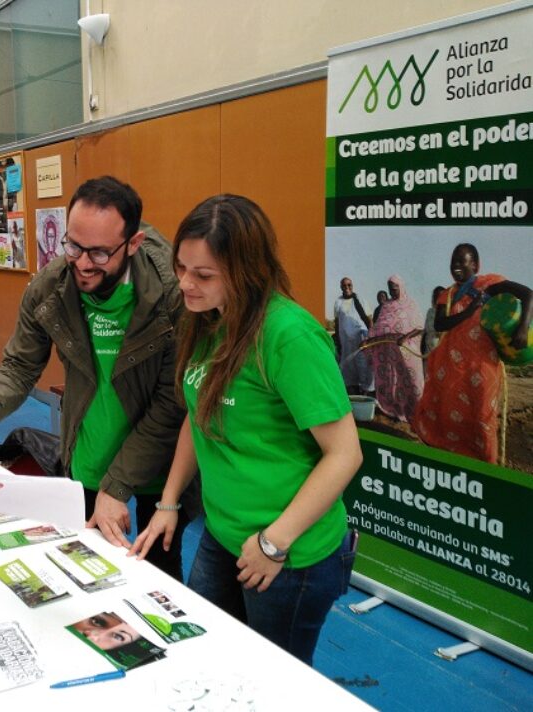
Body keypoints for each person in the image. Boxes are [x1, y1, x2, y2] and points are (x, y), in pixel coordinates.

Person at [129, 194, 361, 666]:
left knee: (273, 682)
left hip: (286, 554)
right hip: (224, 535)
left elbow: (345, 454)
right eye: (181, 268)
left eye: (203, 275)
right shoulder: (209, 320)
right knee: (205, 656)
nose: (185, 284)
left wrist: (274, 542)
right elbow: (200, 415)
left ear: (246, 271)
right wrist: (169, 502)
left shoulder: (288, 337)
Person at [0, 176, 190, 580]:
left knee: (159, 574)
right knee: (89, 572)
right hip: (90, 454)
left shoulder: (172, 295)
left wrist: (118, 486)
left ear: (133, 244)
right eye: (73, 246)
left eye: (100, 253)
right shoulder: (51, 288)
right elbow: (20, 365)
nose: (83, 264)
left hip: (161, 461)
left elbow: (171, 403)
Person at [413, 243, 532, 464]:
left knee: (481, 419)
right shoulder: (447, 295)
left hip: (482, 368)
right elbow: (440, 324)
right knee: (446, 414)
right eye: (453, 262)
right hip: (449, 368)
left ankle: (485, 469)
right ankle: (451, 462)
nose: (455, 266)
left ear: (475, 265)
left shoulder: (488, 285)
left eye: (462, 261)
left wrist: (523, 327)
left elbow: (527, 294)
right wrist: (469, 311)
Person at [364, 275, 424, 422]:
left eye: (395, 288)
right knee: (392, 381)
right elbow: (379, 327)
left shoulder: (411, 304)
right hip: (389, 352)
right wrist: (368, 341)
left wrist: (405, 337)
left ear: (401, 287)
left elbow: (420, 327)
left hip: (407, 350)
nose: (392, 291)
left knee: (411, 381)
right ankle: (395, 411)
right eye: (390, 288)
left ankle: (417, 412)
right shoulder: (387, 306)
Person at [332, 276, 373, 395]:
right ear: (341, 287)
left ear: (352, 286)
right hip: (346, 340)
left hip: (361, 338)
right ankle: (352, 392)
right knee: (348, 366)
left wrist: (370, 335)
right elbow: (337, 322)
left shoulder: (360, 299)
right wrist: (338, 340)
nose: (347, 287)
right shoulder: (338, 302)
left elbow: (369, 319)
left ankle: (366, 392)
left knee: (363, 364)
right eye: (344, 285)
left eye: (349, 285)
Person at [420, 285, 446, 366]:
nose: (438, 298)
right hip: (429, 351)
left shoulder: (449, 312)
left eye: (441, 296)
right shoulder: (430, 312)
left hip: (443, 351)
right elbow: (427, 329)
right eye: (436, 296)